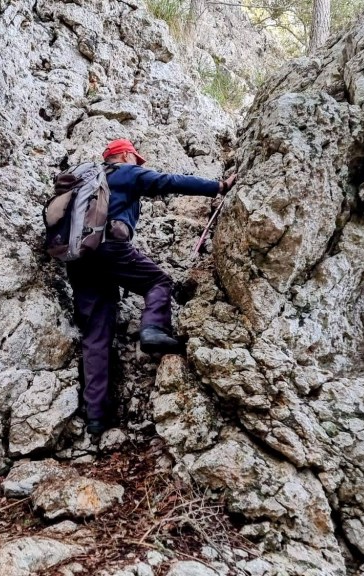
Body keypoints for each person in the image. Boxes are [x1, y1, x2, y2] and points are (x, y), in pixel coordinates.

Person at [67, 138, 237, 435]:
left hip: (78, 259)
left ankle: (96, 418)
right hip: (109, 248)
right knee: (158, 280)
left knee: (96, 333)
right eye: (136, 158)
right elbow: (168, 181)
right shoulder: (123, 172)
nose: (139, 164)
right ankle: (153, 330)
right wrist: (218, 187)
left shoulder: (84, 183)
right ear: (123, 155)